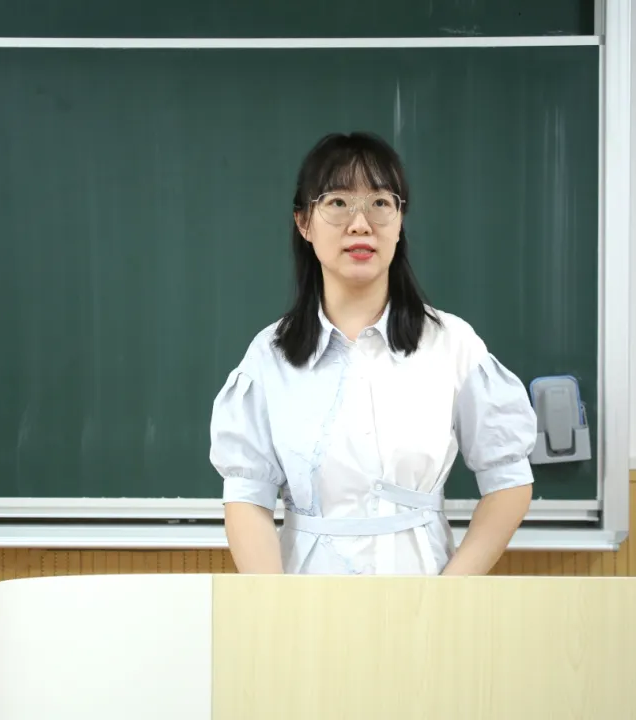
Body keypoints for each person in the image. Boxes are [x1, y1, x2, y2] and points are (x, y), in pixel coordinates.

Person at [208, 131, 538, 575]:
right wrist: (276, 605)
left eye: (380, 202)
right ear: (304, 223)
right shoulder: (269, 356)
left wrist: (450, 592)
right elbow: (247, 496)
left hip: (423, 591)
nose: (360, 224)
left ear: (400, 222)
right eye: (337, 202)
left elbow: (509, 479)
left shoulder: (452, 344)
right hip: (306, 597)